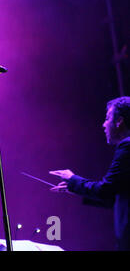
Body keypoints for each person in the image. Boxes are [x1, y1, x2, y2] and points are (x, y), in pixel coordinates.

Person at [50, 96, 130, 250]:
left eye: (107, 118)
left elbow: (105, 190)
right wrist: (74, 188)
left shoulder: (126, 146)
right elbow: (115, 196)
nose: (103, 124)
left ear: (119, 121)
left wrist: (72, 179)